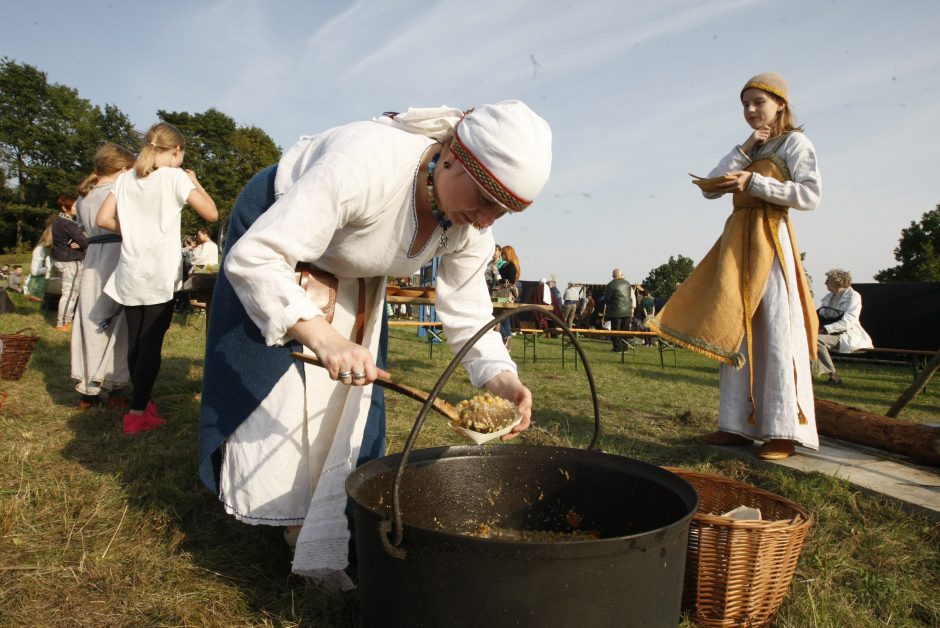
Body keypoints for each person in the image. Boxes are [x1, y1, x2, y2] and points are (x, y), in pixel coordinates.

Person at [198, 100, 551, 588]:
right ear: (452, 156)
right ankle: (290, 521)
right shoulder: (366, 164)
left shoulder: (468, 224)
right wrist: (319, 334)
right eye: (486, 198)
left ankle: (323, 527)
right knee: (287, 391)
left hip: (355, 264)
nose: (488, 220)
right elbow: (256, 257)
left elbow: (467, 306)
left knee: (353, 397)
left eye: (503, 209)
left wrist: (501, 377)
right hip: (279, 236)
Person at [648, 72, 821, 461]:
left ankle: (782, 431)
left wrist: (755, 184)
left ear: (780, 103)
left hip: (771, 241)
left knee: (775, 330)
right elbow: (711, 185)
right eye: (745, 103)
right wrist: (745, 149)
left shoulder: (796, 142)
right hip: (737, 244)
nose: (750, 110)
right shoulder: (753, 147)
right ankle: (737, 426)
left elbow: (810, 195)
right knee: (736, 330)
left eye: (758, 101)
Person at [97, 122, 218, 434]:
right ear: (176, 151)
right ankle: (138, 413)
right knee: (151, 343)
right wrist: (196, 182)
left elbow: (102, 219)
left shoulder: (125, 179)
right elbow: (212, 214)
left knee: (136, 341)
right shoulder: (175, 177)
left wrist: (133, 230)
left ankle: (142, 400)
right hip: (158, 273)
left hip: (129, 270)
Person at [71, 143, 137, 411]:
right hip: (116, 254)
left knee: (91, 321)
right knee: (118, 322)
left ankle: (88, 391)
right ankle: (115, 388)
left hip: (93, 257)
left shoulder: (84, 195)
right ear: (123, 169)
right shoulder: (119, 189)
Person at [814, 269, 873, 385]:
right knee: (805, 338)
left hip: (846, 334)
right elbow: (820, 316)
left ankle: (834, 376)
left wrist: (825, 330)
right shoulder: (829, 297)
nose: (825, 283)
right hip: (829, 333)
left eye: (828, 280)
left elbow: (849, 321)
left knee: (816, 340)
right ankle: (810, 373)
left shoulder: (854, 296)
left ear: (837, 282)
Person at [51, 195, 87, 331]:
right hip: (70, 261)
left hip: (62, 259)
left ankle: (66, 320)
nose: (78, 208)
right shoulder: (67, 223)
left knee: (70, 292)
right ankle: (63, 323)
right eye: (75, 206)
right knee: (70, 293)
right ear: (65, 208)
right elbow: (84, 241)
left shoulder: (58, 222)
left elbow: (77, 241)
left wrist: (78, 242)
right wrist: (83, 240)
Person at [602, 268, 633, 352]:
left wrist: (607, 304)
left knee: (616, 330)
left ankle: (617, 348)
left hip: (615, 311)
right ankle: (625, 348)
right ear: (621, 274)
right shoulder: (627, 283)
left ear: (613, 275)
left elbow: (607, 299)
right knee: (625, 330)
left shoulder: (611, 285)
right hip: (627, 311)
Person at [497, 244, 521, 345]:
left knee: (503, 317)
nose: (502, 255)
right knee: (503, 318)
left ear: (508, 254)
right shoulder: (507, 264)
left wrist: (499, 279)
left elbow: (510, 281)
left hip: (505, 294)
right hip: (502, 294)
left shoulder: (511, 265)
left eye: (503, 253)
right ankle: (507, 338)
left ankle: (506, 336)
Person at [25, 222, 53, 302]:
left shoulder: (54, 248)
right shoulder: (40, 249)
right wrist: (50, 269)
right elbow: (34, 271)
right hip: (38, 285)